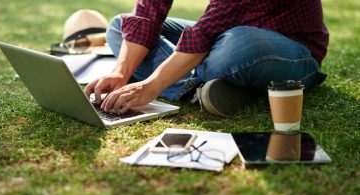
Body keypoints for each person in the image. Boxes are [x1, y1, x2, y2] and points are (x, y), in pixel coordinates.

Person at [84, 0, 329, 116]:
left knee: (236, 47)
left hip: (292, 49)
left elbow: (205, 34)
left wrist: (152, 84)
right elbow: (148, 13)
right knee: (120, 26)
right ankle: (203, 88)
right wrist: (121, 72)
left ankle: (198, 82)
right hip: (225, 34)